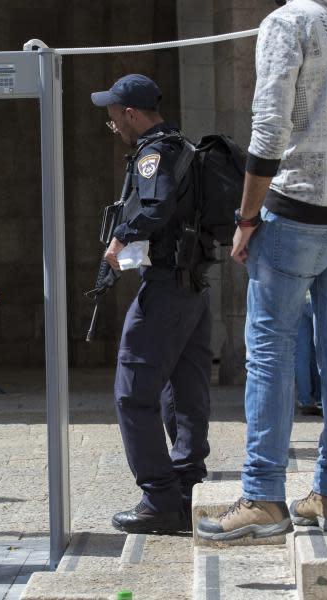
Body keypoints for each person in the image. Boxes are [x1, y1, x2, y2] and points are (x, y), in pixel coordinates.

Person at [197, 0, 327, 542]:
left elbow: (269, 126)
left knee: (270, 351)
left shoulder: (289, 21)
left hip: (302, 208)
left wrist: (245, 216)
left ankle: (262, 496)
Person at [91, 74, 214, 534]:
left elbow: (156, 207)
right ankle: (186, 488)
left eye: (113, 116)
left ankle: (160, 499)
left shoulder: (154, 153)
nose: (112, 125)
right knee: (184, 391)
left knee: (132, 392)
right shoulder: (184, 145)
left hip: (165, 288)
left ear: (131, 113)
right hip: (193, 287)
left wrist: (121, 237)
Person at [295, 292, 322, 417]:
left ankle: (305, 399)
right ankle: (321, 398)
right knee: (321, 349)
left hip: (298, 298)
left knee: (301, 353)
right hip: (317, 297)